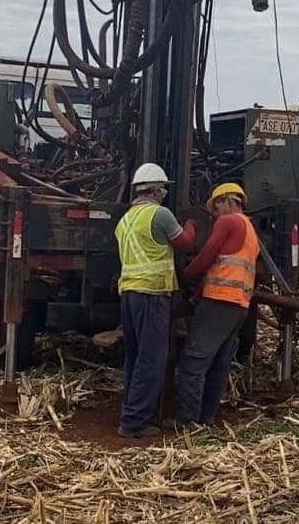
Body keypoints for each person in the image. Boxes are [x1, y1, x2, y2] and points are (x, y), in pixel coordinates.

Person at [115, 162, 197, 437]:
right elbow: (185, 243)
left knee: (136, 356)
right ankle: (134, 422)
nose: (164, 193)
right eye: (162, 188)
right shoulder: (159, 215)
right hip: (151, 295)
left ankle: (131, 411)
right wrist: (192, 224)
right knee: (152, 359)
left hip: (129, 294)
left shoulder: (126, 218)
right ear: (154, 190)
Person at [173, 182, 260, 427]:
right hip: (238, 305)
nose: (215, 212)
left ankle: (187, 420)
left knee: (194, 360)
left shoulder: (228, 221)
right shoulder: (250, 228)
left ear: (229, 201)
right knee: (219, 363)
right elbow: (222, 264)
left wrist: (186, 274)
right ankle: (206, 417)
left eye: (217, 205)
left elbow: (206, 256)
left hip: (219, 301)